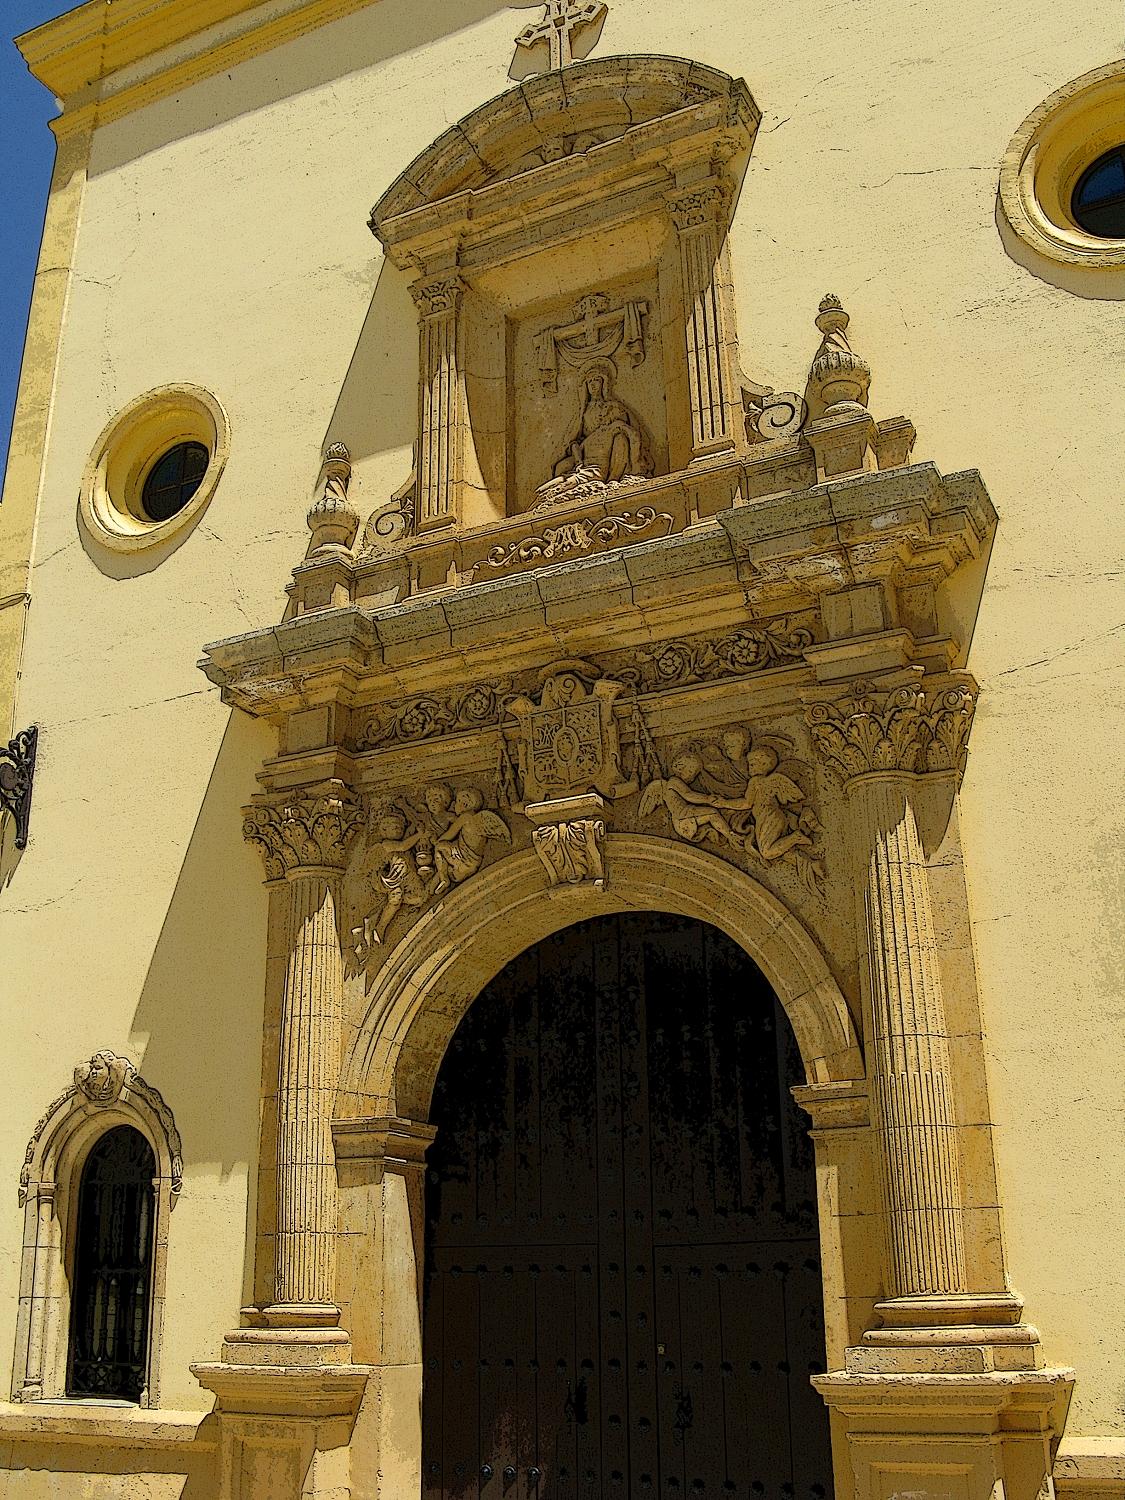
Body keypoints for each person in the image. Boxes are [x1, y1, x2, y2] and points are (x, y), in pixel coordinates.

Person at [552, 361, 652, 483]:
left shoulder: (613, 406)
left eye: (596, 380)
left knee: (621, 440)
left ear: (604, 383)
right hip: (586, 452)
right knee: (561, 467)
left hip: (607, 450)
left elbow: (624, 430)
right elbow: (573, 439)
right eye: (589, 382)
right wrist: (578, 459)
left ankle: (613, 478)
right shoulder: (583, 413)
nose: (593, 385)